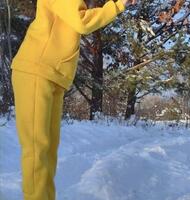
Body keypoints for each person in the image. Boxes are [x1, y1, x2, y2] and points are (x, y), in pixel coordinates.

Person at [11, 0, 136, 199]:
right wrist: (118, 5)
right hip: (36, 69)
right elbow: (82, 22)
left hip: (53, 75)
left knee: (48, 150)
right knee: (36, 148)